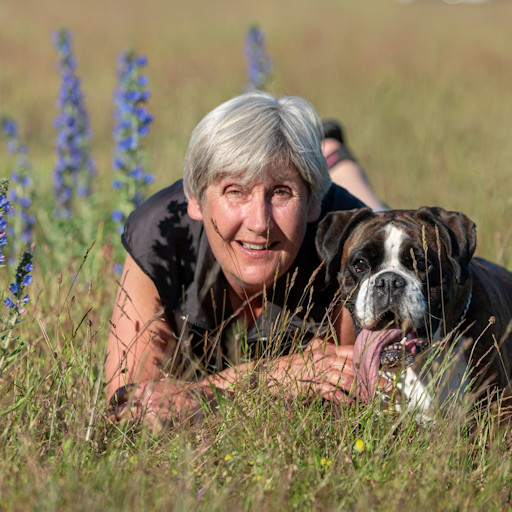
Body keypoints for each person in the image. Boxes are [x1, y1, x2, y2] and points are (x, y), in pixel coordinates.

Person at [105, 91, 386, 430]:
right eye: (235, 191)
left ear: (312, 202)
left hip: (353, 215)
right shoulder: (159, 235)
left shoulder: (353, 244)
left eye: (281, 192)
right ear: (195, 200)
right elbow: (130, 406)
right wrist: (269, 377)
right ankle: (326, 155)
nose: (259, 223)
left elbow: (357, 394)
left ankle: (334, 156)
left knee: (383, 220)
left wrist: (195, 397)